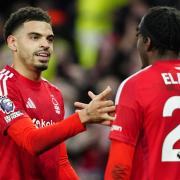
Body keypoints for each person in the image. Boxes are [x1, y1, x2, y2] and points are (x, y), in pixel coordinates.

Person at [0, 6, 115, 180]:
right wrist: (82, 117)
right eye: (34, 37)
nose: (45, 44)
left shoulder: (54, 94)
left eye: (49, 39)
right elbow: (31, 142)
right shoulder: (4, 86)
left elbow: (59, 162)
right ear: (13, 43)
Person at [104, 6, 180, 179]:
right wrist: (121, 118)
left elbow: (119, 167)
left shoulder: (135, 85)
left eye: (138, 36)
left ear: (147, 42)